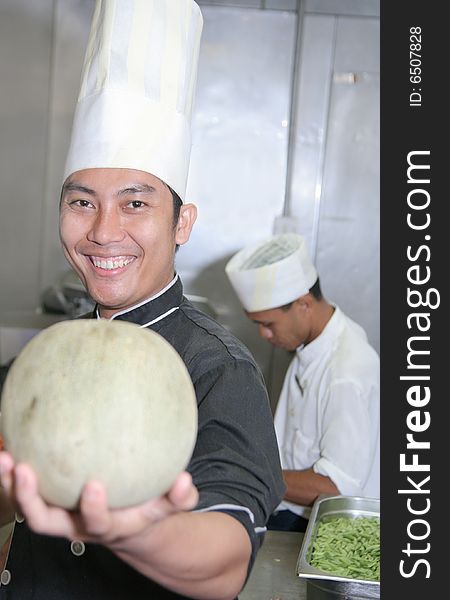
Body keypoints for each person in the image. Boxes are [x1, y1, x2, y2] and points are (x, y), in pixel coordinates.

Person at [0, 1, 285, 598]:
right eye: (82, 202)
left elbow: (227, 555)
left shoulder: (217, 370)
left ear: (183, 223)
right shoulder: (51, 355)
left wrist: (129, 533)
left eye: (135, 203)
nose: (103, 232)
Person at [226, 232, 380, 532]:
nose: (264, 336)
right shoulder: (312, 343)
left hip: (328, 527)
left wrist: (251, 473)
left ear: (303, 304)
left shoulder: (347, 372)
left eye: (268, 324)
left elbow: (335, 486)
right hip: (293, 510)